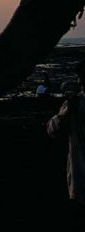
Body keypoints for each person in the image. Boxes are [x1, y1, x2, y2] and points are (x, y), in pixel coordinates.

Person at [47, 61, 85, 231]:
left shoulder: (75, 104)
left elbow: (53, 130)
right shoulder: (76, 104)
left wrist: (65, 114)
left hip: (80, 182)